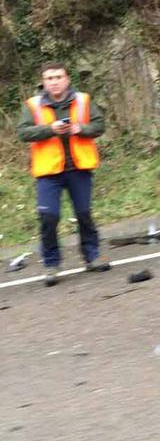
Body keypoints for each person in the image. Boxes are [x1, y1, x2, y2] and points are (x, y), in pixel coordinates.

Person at [16, 63, 109, 287]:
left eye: (58, 77)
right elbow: (23, 132)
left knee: (84, 213)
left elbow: (99, 124)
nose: (54, 81)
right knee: (49, 217)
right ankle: (51, 265)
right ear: (43, 82)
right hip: (48, 171)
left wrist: (80, 128)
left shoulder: (84, 100)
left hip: (79, 167)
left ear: (67, 79)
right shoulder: (33, 105)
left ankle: (92, 257)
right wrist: (50, 129)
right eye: (49, 78)